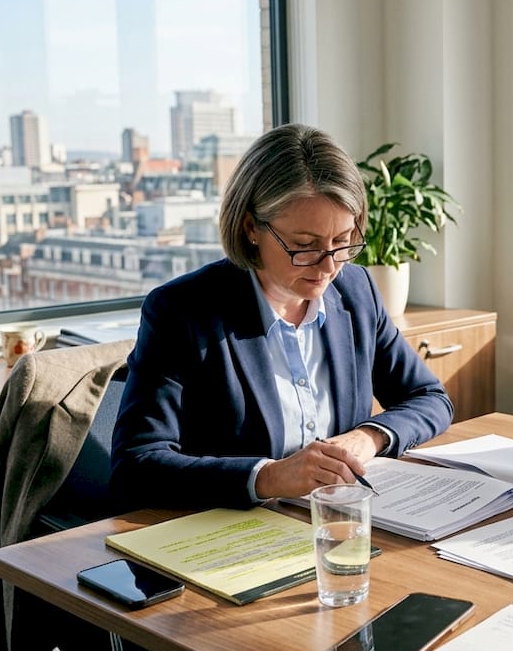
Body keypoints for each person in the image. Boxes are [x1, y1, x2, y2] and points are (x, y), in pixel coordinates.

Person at [111, 123, 453, 510]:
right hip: (230, 537)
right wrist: (269, 477)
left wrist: (369, 436)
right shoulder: (182, 312)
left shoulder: (356, 292)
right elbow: (135, 468)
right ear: (251, 227)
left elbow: (430, 397)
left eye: (342, 242)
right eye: (304, 246)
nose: (328, 266)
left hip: (336, 522)